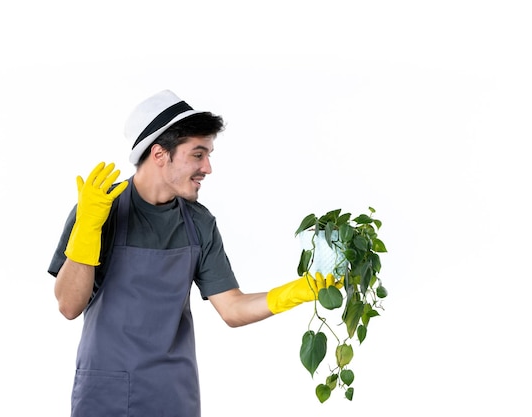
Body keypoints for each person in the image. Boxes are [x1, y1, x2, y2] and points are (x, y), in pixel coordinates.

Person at [48, 89, 341, 417]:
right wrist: (87, 230)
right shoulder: (98, 210)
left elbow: (232, 308)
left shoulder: (198, 222)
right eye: (198, 155)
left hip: (173, 392)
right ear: (160, 154)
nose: (208, 168)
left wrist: (297, 291)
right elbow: (69, 306)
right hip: (106, 392)